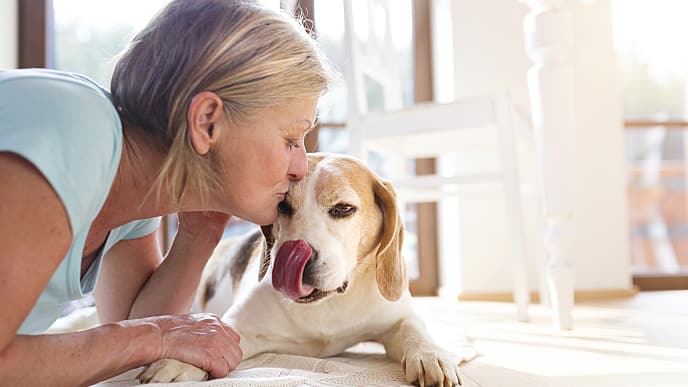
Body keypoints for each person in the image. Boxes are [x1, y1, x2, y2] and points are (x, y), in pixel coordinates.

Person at [0, 0, 333, 385]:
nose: (301, 166)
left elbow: (127, 329)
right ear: (207, 122)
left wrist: (200, 234)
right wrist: (154, 335)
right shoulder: (73, 134)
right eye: (292, 138)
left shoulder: (133, 182)